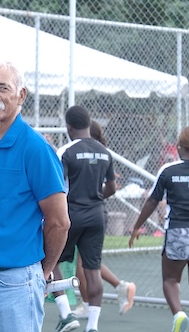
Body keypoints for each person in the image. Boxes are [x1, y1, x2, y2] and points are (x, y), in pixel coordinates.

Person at [0, 61, 71, 332]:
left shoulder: (35, 148)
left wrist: (41, 275)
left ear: (21, 95)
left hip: (16, 282)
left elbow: (59, 222)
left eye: (2, 88)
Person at [129, 126, 189, 332]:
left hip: (178, 232)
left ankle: (179, 314)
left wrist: (137, 226)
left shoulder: (168, 171)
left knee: (170, 279)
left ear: (178, 146)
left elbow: (152, 201)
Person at [52, 106, 117, 332]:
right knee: (93, 269)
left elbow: (56, 187)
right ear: (89, 124)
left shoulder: (66, 151)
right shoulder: (104, 151)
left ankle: (66, 314)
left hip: (71, 215)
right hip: (97, 215)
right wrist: (95, 198)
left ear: (69, 127)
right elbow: (112, 187)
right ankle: (93, 326)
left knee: (49, 260)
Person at [72, 120, 136, 319]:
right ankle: (119, 287)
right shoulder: (100, 154)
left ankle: (89, 303)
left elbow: (109, 186)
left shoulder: (84, 154)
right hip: (96, 212)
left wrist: (90, 197)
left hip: (85, 212)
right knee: (88, 262)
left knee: (85, 264)